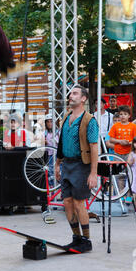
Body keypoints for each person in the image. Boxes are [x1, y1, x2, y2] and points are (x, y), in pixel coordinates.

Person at [54, 84, 99, 253]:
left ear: (83, 98)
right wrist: (58, 164)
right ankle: (76, 238)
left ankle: (86, 241)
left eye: (74, 93)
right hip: (67, 164)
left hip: (82, 165)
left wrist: (93, 173)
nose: (70, 96)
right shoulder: (66, 117)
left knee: (79, 203)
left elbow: (94, 147)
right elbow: (61, 143)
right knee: (67, 202)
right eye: (70, 93)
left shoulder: (90, 120)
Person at [127, 135, 136, 213]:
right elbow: (128, 162)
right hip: (134, 172)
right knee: (133, 187)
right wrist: (131, 161)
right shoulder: (132, 153)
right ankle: (130, 198)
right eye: (135, 142)